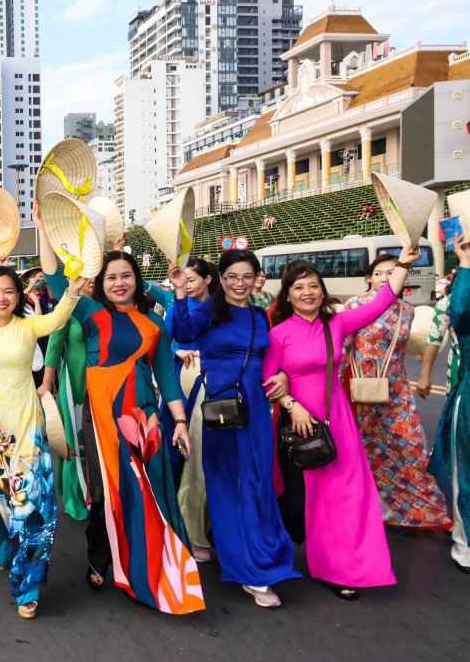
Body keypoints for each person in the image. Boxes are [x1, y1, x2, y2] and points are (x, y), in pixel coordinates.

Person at [33, 201, 200, 615]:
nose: (120, 282)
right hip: (101, 416)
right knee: (106, 489)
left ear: (137, 279)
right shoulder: (91, 314)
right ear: (101, 283)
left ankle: (153, 569)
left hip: (144, 417)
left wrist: (178, 421)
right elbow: (54, 279)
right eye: (111, 277)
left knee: (148, 492)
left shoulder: (154, 324)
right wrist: (41, 226)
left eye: (126, 275)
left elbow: (166, 377)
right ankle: (100, 557)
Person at [263, 243, 419, 601]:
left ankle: (349, 567)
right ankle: (315, 561)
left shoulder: (339, 323)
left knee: (350, 496)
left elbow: (381, 301)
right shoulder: (279, 334)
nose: (308, 293)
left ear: (322, 289)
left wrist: (405, 266)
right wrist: (292, 404)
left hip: (339, 421)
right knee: (312, 501)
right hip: (301, 427)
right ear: (288, 295)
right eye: (299, 288)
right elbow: (268, 379)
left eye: (313, 285)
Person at [169, 250, 299, 608]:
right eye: (232, 276)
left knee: (256, 485)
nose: (240, 283)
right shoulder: (209, 310)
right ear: (220, 278)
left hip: (256, 409)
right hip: (222, 411)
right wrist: (180, 293)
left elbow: (271, 360)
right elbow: (181, 333)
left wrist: (283, 376)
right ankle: (251, 573)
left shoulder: (259, 315)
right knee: (228, 487)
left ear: (257, 277)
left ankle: (260, 559)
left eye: (247, 276)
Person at [0, 265, 83, 619]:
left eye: (9, 292)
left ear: (19, 296)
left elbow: (58, 318)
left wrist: (72, 290)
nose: (2, 298)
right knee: (9, 505)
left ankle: (27, 585)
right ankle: (15, 557)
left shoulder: (29, 327)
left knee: (36, 509)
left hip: (29, 431)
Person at [343, 253, 451, 530]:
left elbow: (405, 344)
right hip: (360, 388)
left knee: (410, 445)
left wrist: (417, 359)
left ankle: (420, 508)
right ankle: (373, 503)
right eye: (379, 273)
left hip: (397, 388)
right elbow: (343, 347)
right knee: (368, 447)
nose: (385, 279)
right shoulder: (355, 304)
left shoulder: (408, 309)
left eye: (392, 273)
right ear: (369, 277)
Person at [164, 257, 216, 561]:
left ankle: (208, 526)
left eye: (193, 279)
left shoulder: (219, 309)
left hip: (217, 390)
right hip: (182, 389)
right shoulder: (177, 308)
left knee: (212, 459)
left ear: (208, 280)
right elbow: (164, 346)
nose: (187, 284)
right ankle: (182, 523)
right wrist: (179, 350)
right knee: (181, 457)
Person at [428, 233, 470, 573]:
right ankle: (464, 542)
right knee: (463, 470)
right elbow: (456, 317)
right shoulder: (455, 301)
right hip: (464, 388)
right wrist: (464, 259)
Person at [37, 313, 88, 521]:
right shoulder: (69, 309)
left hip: (105, 381)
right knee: (76, 437)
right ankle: (77, 497)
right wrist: (47, 384)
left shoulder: (108, 304)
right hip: (75, 382)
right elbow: (54, 348)